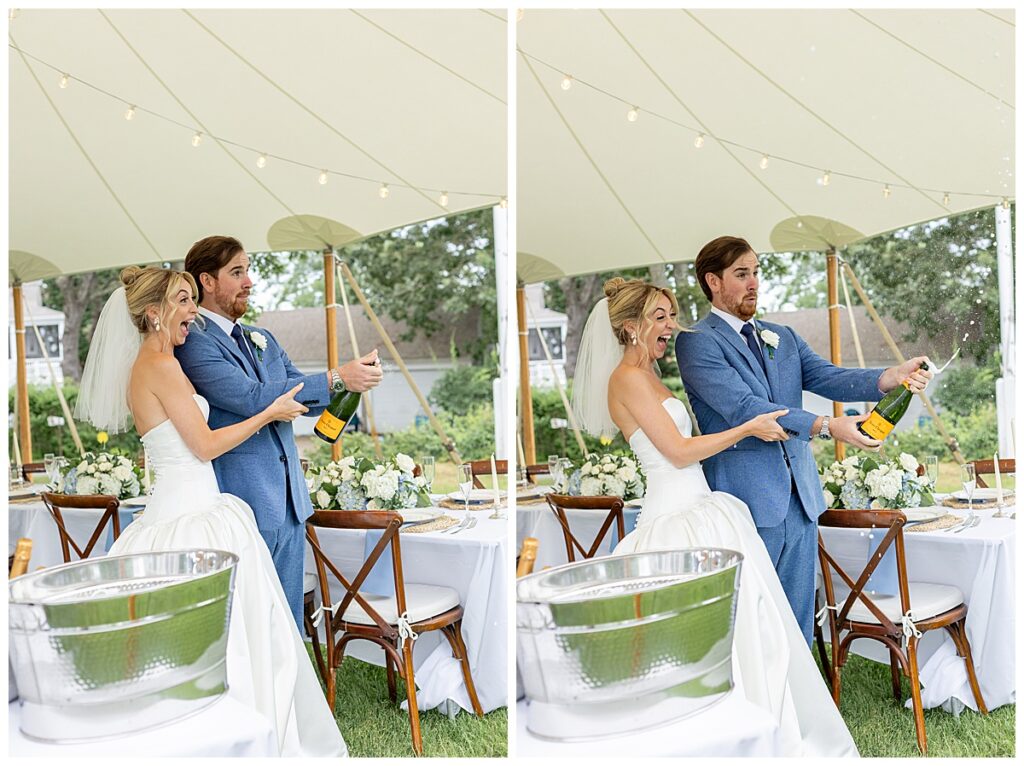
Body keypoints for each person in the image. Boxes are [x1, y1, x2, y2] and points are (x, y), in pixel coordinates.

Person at [571, 276, 857, 756]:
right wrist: (747, 427)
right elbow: (680, 452)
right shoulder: (625, 378)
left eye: (671, 315)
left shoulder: (650, 375)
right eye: (659, 318)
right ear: (628, 328)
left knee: (752, 629)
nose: (671, 326)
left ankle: (756, 728)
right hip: (675, 518)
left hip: (704, 509)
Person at [75, 266, 346, 756]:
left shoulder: (154, 365)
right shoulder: (159, 367)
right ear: (153, 313)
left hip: (188, 505)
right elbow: (202, 446)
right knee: (234, 640)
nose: (193, 311)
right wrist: (267, 413)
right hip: (192, 513)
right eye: (183, 300)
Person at [676, 236, 931, 643]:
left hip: (801, 498)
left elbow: (830, 377)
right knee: (752, 618)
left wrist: (890, 376)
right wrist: (829, 427)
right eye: (741, 274)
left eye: (756, 272)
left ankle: (799, 704)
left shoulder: (784, 336)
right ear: (713, 281)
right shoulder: (695, 342)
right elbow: (745, 407)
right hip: (746, 499)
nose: (753, 282)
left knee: (797, 616)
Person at [174, 235, 383, 628]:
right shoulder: (193, 344)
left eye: (248, 271)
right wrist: (338, 376)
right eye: (237, 272)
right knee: (252, 619)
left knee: (287, 617)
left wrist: (350, 382)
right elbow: (252, 398)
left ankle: (291, 687)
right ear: (207, 281)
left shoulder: (263, 338)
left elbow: (301, 394)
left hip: (291, 500)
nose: (249, 281)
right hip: (244, 500)